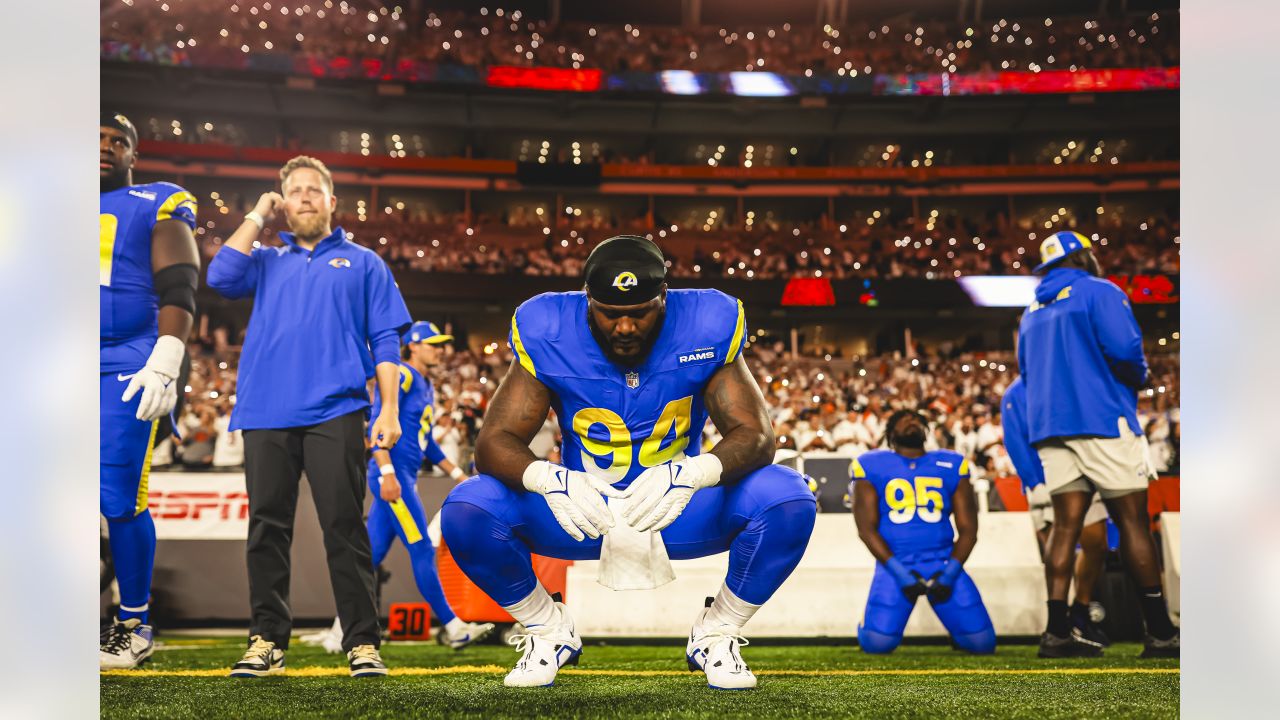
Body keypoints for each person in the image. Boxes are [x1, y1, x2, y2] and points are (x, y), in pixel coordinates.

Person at [440, 235, 817, 689]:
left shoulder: (705, 322)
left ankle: (716, 631)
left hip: (675, 505)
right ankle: (546, 628)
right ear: (586, 299)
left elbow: (757, 435)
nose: (624, 327)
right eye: (609, 312)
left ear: (663, 297)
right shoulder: (548, 328)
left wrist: (694, 472)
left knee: (787, 495)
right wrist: (549, 478)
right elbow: (494, 441)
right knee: (467, 507)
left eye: (639, 312)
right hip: (583, 509)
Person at [206, 156, 411, 678]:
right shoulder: (266, 260)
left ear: (331, 201)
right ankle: (266, 640)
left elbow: (386, 339)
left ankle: (362, 642)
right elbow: (220, 276)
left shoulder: (365, 262)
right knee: (266, 528)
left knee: (344, 528)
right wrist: (256, 213)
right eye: (293, 191)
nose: (303, 197)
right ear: (282, 202)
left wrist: (388, 406)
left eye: (313, 190)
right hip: (266, 410)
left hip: (338, 409)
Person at [1018, 230, 1179, 658]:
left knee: (1065, 527)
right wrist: (1141, 375)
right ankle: (1161, 631)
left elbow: (1026, 372)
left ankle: (1056, 632)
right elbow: (1126, 349)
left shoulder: (1032, 307)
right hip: (1102, 419)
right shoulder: (1099, 290)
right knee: (1131, 522)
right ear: (1085, 256)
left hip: (1051, 427)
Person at [310, 321, 494, 653]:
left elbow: (426, 444)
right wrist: (387, 473)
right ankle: (454, 628)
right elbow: (379, 424)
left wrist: (457, 474)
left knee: (369, 557)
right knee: (422, 548)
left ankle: (339, 631)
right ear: (413, 346)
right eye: (433, 344)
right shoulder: (405, 376)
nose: (439, 350)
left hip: (401, 475)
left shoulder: (424, 383)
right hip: (393, 476)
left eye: (441, 345)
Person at [99, 112, 200, 669]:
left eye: (120, 141)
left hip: (128, 359)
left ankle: (133, 623)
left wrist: (168, 356)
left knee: (117, 496)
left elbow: (179, 279)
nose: (107, 147)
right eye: (97, 139)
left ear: (134, 156)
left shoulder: (153, 202)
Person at [851, 410, 996, 655]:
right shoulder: (870, 464)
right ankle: (866, 627)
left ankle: (958, 631)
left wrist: (949, 574)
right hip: (895, 564)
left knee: (982, 646)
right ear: (890, 433)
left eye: (918, 419)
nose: (912, 421)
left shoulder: (952, 463)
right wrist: (900, 573)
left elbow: (969, 529)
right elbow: (866, 529)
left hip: (942, 561)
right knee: (877, 645)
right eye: (903, 420)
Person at [1002, 376, 1111, 647]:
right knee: (1058, 547)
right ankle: (1059, 622)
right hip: (1044, 478)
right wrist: (1033, 481)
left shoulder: (1069, 379)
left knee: (1096, 543)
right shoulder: (1016, 392)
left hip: (1082, 470)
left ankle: (1080, 610)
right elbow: (1014, 439)